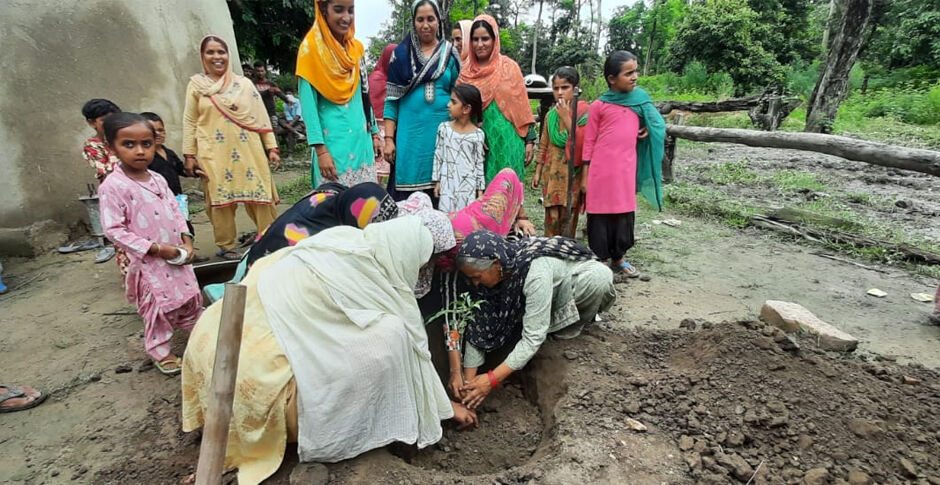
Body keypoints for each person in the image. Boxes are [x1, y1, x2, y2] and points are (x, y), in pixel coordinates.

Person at [182, 217, 476, 485]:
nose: (421, 272)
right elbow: (413, 349)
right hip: (250, 383)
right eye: (423, 264)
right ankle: (333, 431)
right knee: (390, 338)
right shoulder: (367, 280)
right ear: (408, 255)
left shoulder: (345, 241)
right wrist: (445, 409)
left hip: (213, 344)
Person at [452, 230, 615, 407]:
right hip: (540, 299)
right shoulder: (490, 279)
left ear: (496, 264)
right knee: (529, 320)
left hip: (570, 288)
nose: (475, 283)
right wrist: (469, 388)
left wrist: (490, 380)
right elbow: (478, 329)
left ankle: (562, 330)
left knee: (599, 278)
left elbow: (532, 338)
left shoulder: (534, 272)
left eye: (477, 277)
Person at [98, 113, 203, 375]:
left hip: (177, 254)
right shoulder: (114, 186)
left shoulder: (157, 179)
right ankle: (161, 351)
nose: (140, 151)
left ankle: (202, 335)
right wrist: (156, 249)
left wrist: (186, 240)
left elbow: (177, 211)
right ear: (111, 147)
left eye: (146, 144)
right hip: (150, 263)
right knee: (159, 308)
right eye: (129, 144)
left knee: (189, 297)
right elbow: (113, 229)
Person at [182, 35, 281, 261]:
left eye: (221, 52)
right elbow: (189, 120)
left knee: (260, 195)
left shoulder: (244, 84)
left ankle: (268, 237)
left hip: (250, 149)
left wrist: (272, 148)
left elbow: (261, 117)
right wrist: (189, 154)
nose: (217, 57)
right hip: (213, 152)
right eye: (211, 52)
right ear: (202, 56)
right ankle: (226, 246)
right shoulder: (197, 85)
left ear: (228, 55)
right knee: (220, 202)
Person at [581, 50, 666, 278]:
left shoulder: (640, 102)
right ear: (611, 78)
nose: (634, 76)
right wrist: (585, 174)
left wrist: (648, 127)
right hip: (601, 170)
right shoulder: (599, 105)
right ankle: (602, 258)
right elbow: (589, 141)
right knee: (599, 214)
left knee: (623, 213)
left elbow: (657, 123)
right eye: (628, 73)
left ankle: (619, 257)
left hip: (626, 169)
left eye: (635, 71)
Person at [297, 0, 380, 188]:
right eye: (338, 10)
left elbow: (363, 95)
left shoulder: (356, 49)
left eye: (351, 10)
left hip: (362, 142)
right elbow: (309, 106)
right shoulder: (310, 51)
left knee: (364, 207)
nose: (346, 17)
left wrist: (374, 133)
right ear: (324, 10)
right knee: (334, 207)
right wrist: (321, 151)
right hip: (333, 147)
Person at [384, 0, 461, 202]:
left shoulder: (450, 53)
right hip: (409, 138)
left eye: (430, 19)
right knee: (406, 200)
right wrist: (389, 139)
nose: (425, 25)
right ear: (414, 22)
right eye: (420, 19)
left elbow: (459, 95)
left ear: (439, 20)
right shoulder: (400, 55)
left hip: (442, 135)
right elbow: (391, 100)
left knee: (441, 190)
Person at [457, 15, 536, 184]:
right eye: (475, 39)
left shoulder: (509, 67)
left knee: (508, 193)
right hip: (479, 145)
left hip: (509, 142)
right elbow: (458, 110)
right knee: (481, 199)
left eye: (485, 38)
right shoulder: (464, 73)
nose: (480, 44)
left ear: (494, 39)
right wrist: (473, 133)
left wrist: (530, 141)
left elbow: (522, 106)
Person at [531, 67, 589, 237]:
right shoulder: (550, 115)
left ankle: (565, 251)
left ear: (576, 88)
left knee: (568, 216)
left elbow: (583, 145)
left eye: (565, 88)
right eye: (556, 88)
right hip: (552, 174)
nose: (560, 92)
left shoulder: (585, 114)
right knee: (552, 216)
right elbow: (543, 144)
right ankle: (549, 250)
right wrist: (538, 171)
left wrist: (566, 116)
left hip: (572, 175)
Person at [79, 98, 123, 265]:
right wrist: (114, 146)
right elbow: (108, 170)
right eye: (105, 121)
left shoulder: (125, 137)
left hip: (138, 192)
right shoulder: (92, 146)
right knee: (122, 237)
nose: (113, 124)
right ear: (92, 123)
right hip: (115, 197)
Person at [433, 84, 485, 213]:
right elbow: (438, 156)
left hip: (469, 187)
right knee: (447, 216)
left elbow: (479, 163)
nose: (448, 105)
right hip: (447, 185)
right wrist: (437, 181)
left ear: (466, 109)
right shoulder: (444, 128)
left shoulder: (478, 135)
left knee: (466, 219)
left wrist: (480, 190)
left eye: (453, 102)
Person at [368, 44, 396, 185]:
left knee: (387, 170)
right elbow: (369, 105)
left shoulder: (395, 79)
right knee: (376, 171)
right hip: (376, 129)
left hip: (389, 128)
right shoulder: (375, 78)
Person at [253, 61, 290, 127]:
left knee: (273, 129)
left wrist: (288, 100)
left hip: (271, 112)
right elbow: (253, 97)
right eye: (258, 71)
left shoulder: (271, 83)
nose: (260, 73)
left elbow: (279, 93)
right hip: (257, 112)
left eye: (262, 71)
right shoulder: (251, 83)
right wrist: (266, 92)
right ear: (254, 71)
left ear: (265, 71)